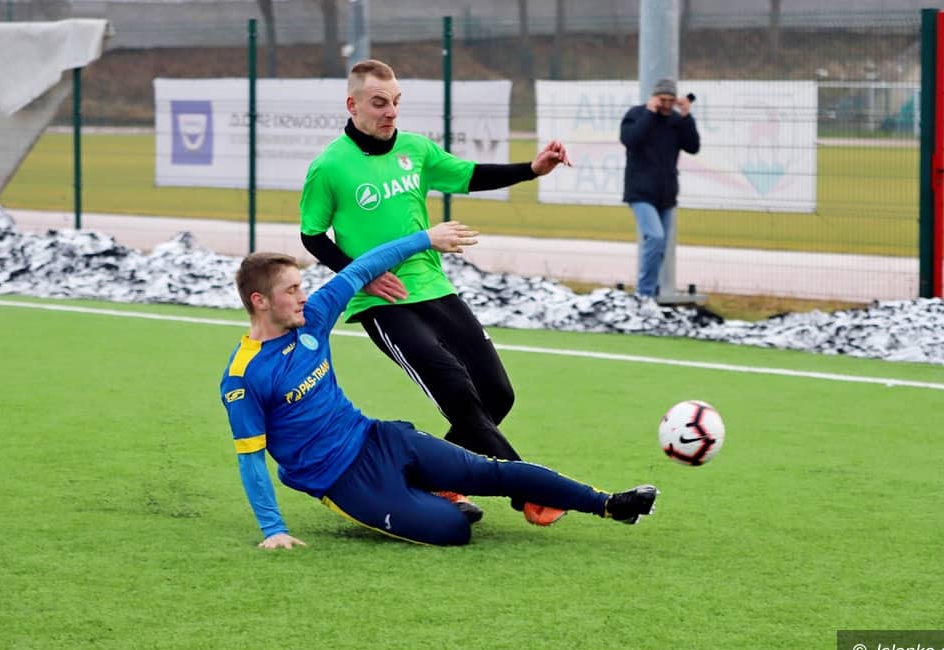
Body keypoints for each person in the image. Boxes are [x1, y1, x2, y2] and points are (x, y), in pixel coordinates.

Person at [219, 221, 661, 548]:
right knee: (454, 529)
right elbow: (251, 459)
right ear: (260, 301)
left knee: (491, 472)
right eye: (291, 290)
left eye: (301, 287)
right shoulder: (244, 376)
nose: (303, 296)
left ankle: (609, 504)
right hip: (347, 481)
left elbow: (365, 266)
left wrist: (426, 238)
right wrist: (274, 529)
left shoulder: (312, 317)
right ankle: (424, 491)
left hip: (379, 438)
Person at [299, 59, 574, 526]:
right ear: (353, 105)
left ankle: (428, 478)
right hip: (384, 302)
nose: (390, 112)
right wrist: (363, 276)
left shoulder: (416, 149)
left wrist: (532, 168)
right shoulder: (329, 166)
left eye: (395, 102)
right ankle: (528, 489)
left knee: (497, 395)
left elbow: (469, 174)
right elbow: (312, 236)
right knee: (459, 396)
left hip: (435, 288)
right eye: (379, 103)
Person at [619, 78, 701, 301]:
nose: (666, 105)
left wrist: (686, 116)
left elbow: (693, 146)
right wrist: (649, 113)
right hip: (640, 192)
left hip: (666, 194)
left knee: (661, 246)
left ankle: (651, 290)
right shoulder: (637, 115)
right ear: (654, 98)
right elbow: (630, 139)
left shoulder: (676, 121)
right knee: (655, 237)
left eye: (670, 101)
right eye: (662, 100)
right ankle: (644, 294)